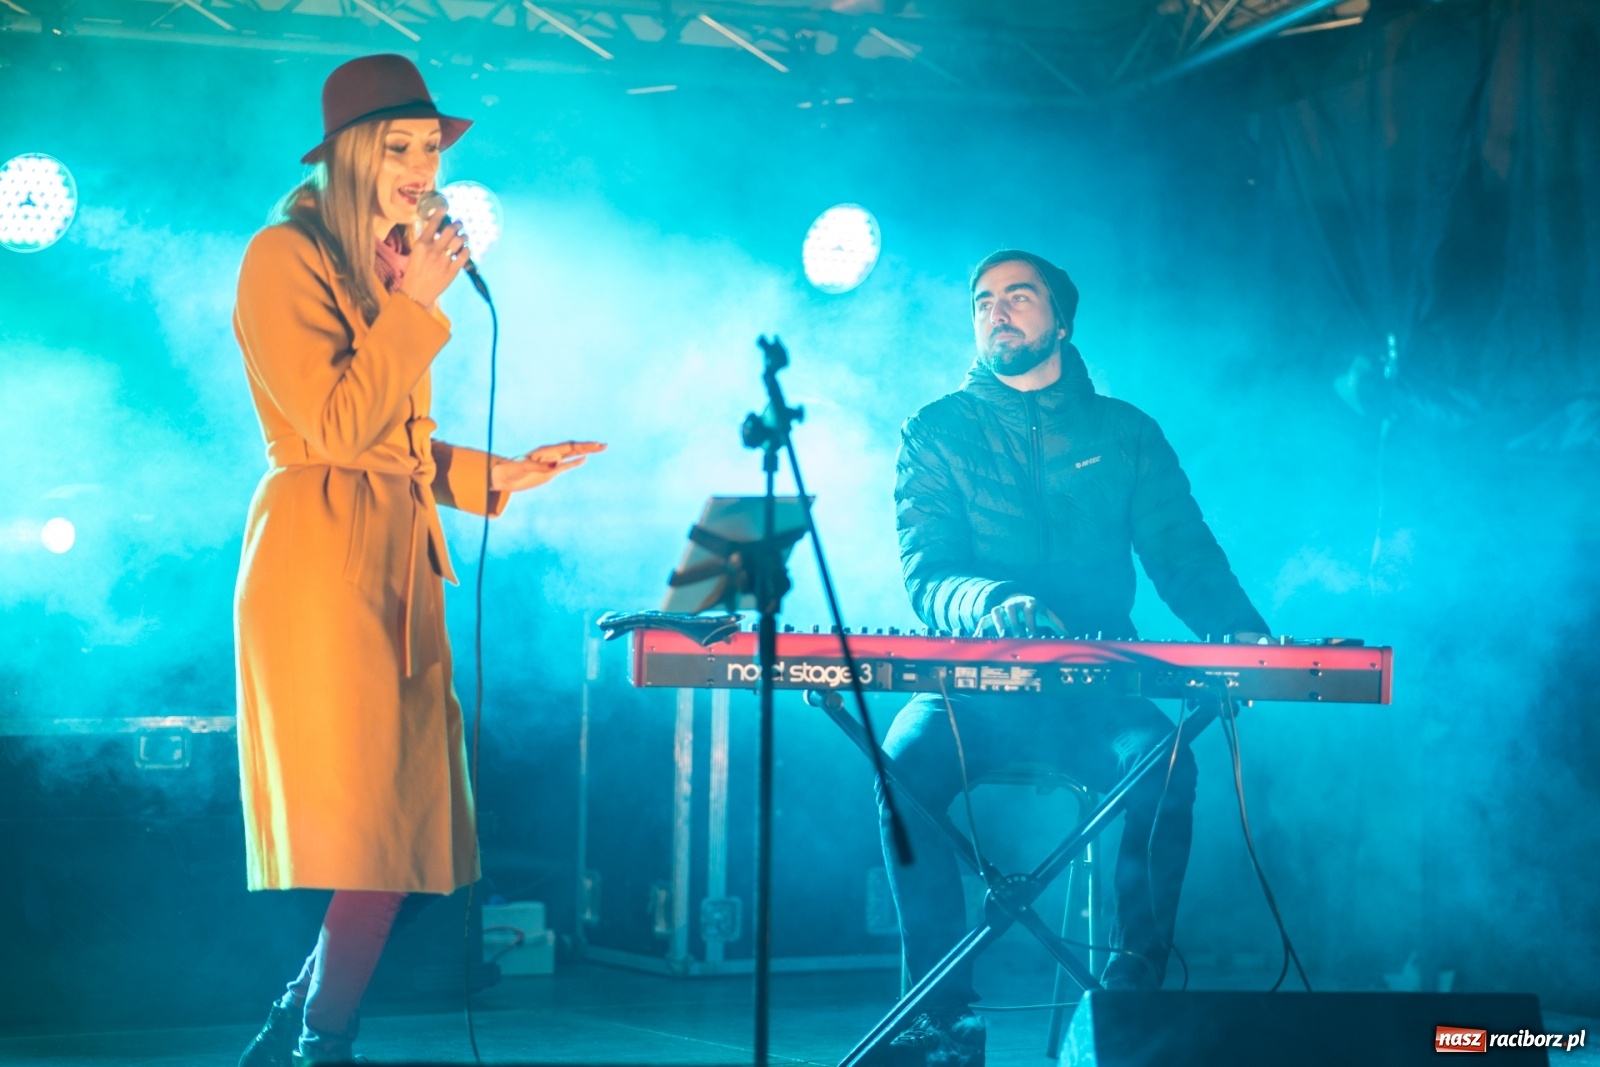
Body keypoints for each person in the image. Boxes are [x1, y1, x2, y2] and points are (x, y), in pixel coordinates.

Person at [232, 54, 604, 1067]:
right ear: (349, 153)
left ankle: (296, 1026)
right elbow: (334, 429)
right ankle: (319, 1038)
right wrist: (420, 305)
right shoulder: (282, 256)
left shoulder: (385, 265)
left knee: (403, 831)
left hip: (400, 560)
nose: (419, 167)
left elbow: (397, 446)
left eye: (429, 148)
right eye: (398, 146)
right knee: (383, 834)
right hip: (321, 564)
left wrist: (500, 474)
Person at [881, 250, 1270, 1066]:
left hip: (1096, 693)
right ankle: (940, 1015)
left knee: (1166, 764)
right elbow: (929, 570)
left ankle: (1130, 996)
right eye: (983, 299)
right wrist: (989, 602)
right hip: (974, 686)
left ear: (1061, 319)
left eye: (1018, 295)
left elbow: (1182, 551)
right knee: (901, 768)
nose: (996, 310)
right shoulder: (935, 429)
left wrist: (1236, 627)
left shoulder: (1126, 431)